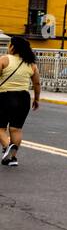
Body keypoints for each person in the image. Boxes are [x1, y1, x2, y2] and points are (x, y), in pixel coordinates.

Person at [0, 35, 42, 167]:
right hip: (24, 98)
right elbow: (37, 84)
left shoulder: (4, 59)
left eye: (9, 44)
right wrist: (36, 99)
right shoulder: (31, 64)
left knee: (0, 127)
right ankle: (12, 158)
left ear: (12, 46)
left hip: (5, 96)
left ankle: (7, 148)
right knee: (16, 129)